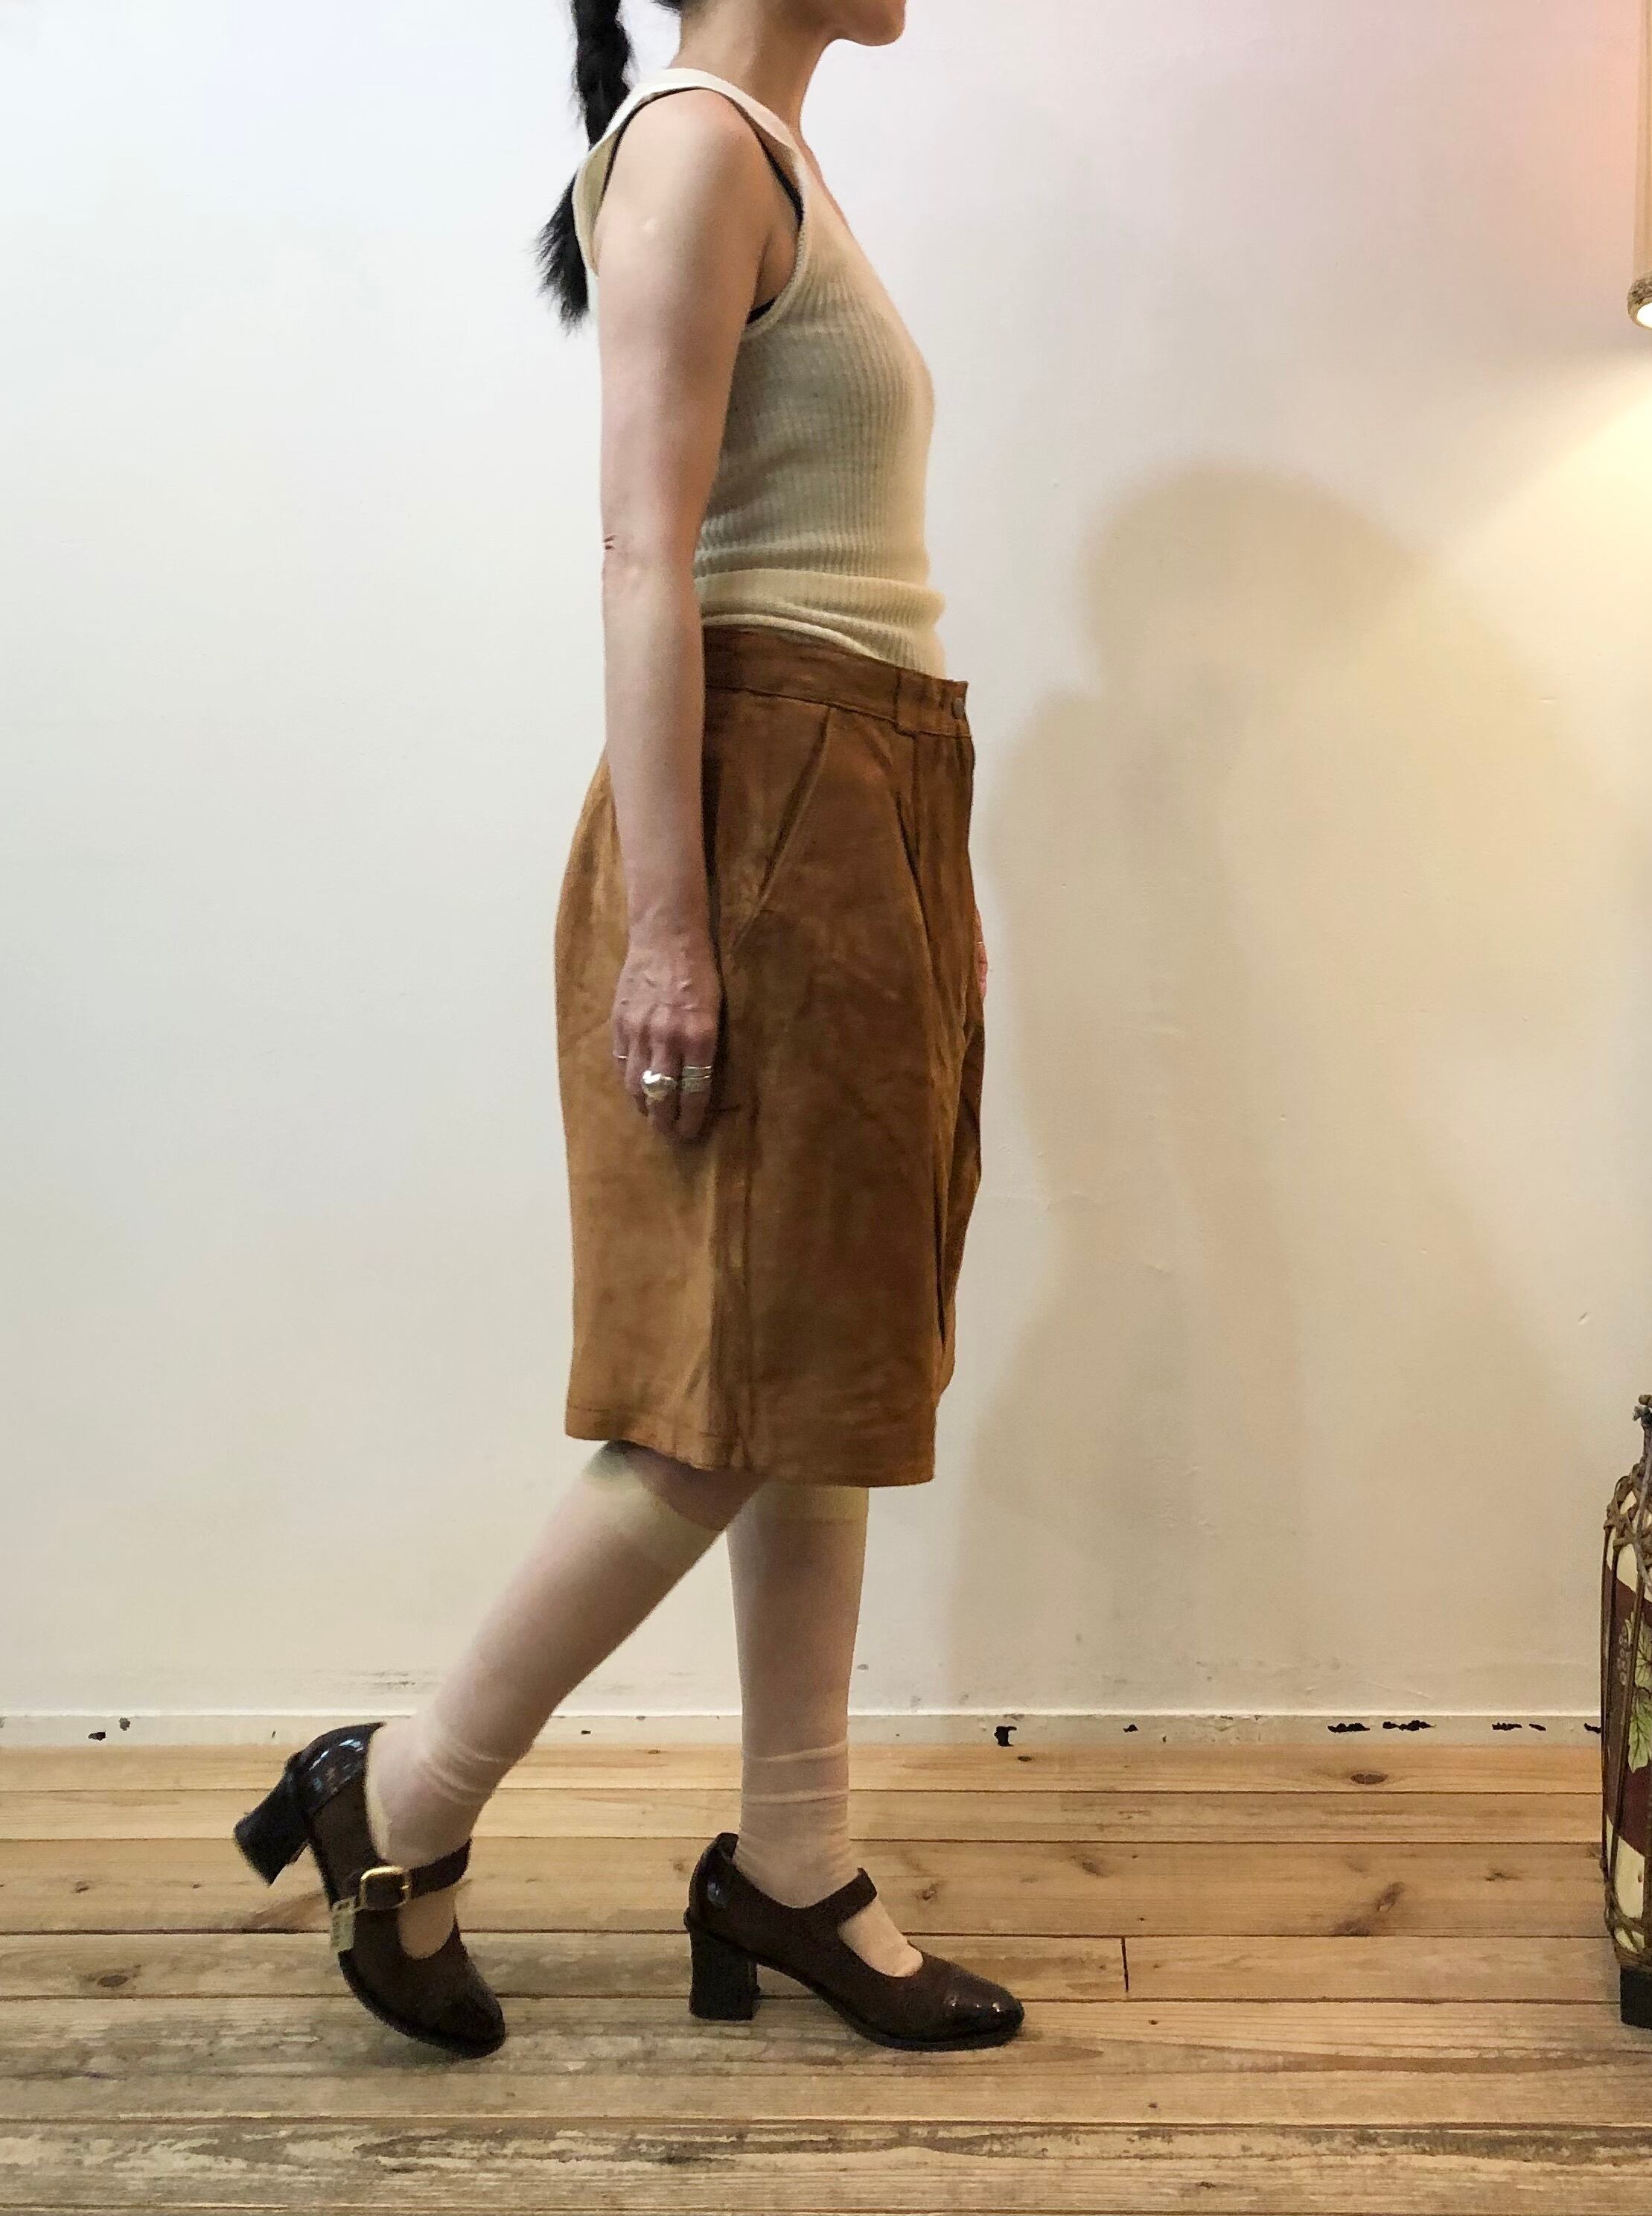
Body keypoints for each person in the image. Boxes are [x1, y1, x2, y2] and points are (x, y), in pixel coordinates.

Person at [232, 0, 1019, 2057]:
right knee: (714, 1395)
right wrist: (670, 926)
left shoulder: (766, 152)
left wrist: (916, 879)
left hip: (862, 786)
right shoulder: (692, 145)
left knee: (816, 1365)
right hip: (764, 806)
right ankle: (405, 1793)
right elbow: (640, 552)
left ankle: (794, 1864)